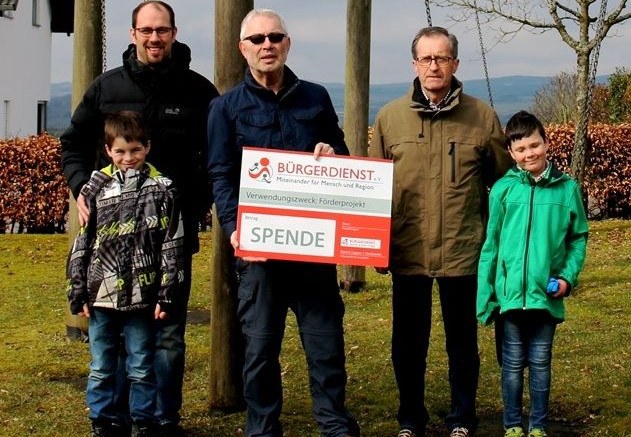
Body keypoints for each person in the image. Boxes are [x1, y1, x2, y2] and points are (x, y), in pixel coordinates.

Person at [60, 2, 219, 434]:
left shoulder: (199, 91)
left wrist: (197, 203)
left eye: (162, 30)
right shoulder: (106, 88)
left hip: (169, 241)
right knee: (110, 338)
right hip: (110, 245)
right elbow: (72, 144)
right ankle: (113, 419)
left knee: (166, 335)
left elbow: (217, 155)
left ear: (174, 33)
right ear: (133, 34)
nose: (154, 38)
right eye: (146, 30)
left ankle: (162, 420)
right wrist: (80, 188)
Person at [207, 9, 359, 437]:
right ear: (244, 49)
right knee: (259, 350)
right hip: (259, 253)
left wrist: (334, 157)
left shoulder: (316, 97)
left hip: (312, 250)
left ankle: (334, 424)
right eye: (257, 39)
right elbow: (220, 174)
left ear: (288, 43)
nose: (267, 45)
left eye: (275, 36)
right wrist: (234, 225)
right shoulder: (224, 108)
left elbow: (344, 158)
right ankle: (263, 428)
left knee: (326, 344)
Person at [369, 26, 512, 437]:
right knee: (408, 344)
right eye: (427, 58)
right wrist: (377, 248)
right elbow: (374, 189)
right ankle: (410, 418)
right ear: (414, 64)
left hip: (464, 250)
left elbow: (502, 185)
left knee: (462, 344)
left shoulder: (482, 117)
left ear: (455, 64)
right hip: (407, 250)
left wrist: (498, 245)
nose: (434, 65)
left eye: (442, 57)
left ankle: (462, 417)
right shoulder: (390, 118)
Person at [66, 111, 185, 437]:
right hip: (101, 297)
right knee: (102, 364)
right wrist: (77, 290)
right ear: (108, 151)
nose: (128, 158)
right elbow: (82, 243)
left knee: (141, 365)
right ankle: (104, 420)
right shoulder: (95, 189)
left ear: (147, 147)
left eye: (134, 150)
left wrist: (166, 293)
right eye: (120, 151)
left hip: (142, 298)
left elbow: (171, 244)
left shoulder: (162, 190)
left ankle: (143, 421)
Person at [477, 111, 589, 437]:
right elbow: (491, 245)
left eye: (534, 145)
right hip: (510, 296)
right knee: (511, 365)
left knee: (540, 364)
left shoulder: (566, 189)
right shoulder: (502, 191)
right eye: (521, 149)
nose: (530, 154)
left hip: (546, 294)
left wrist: (567, 278)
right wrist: (487, 294)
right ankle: (512, 425)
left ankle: (537, 425)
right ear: (511, 153)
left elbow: (578, 237)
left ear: (546, 142)